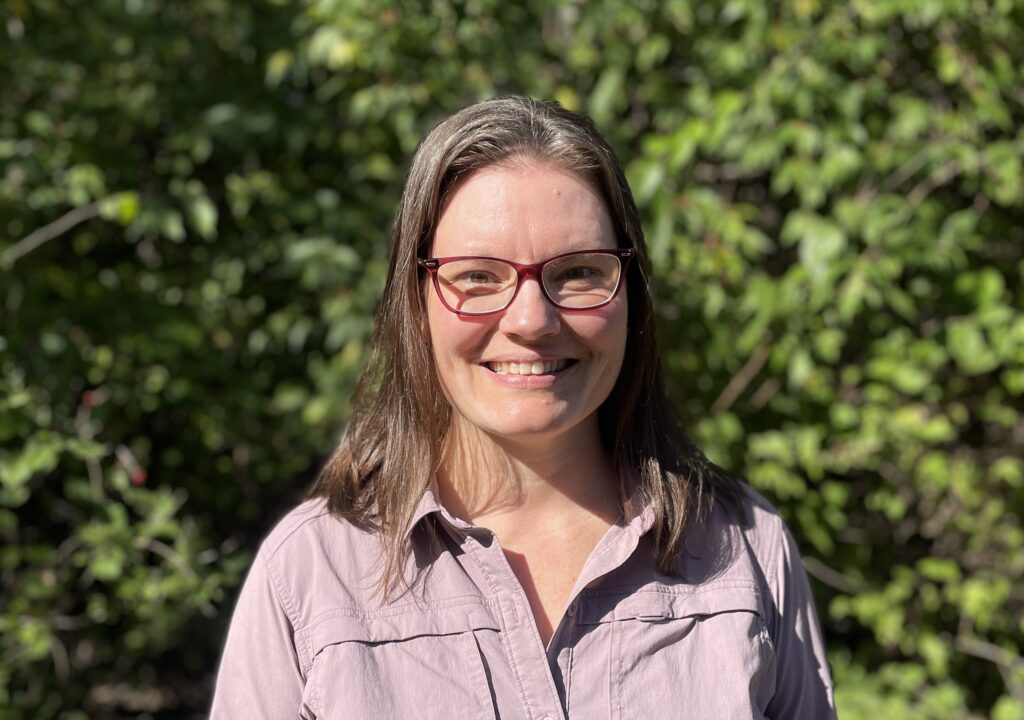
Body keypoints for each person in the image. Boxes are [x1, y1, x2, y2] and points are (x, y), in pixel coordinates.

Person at [210, 96, 836, 719]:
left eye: (579, 272)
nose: (532, 321)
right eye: (478, 276)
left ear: (632, 293)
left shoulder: (746, 550)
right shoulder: (310, 576)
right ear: (415, 302)